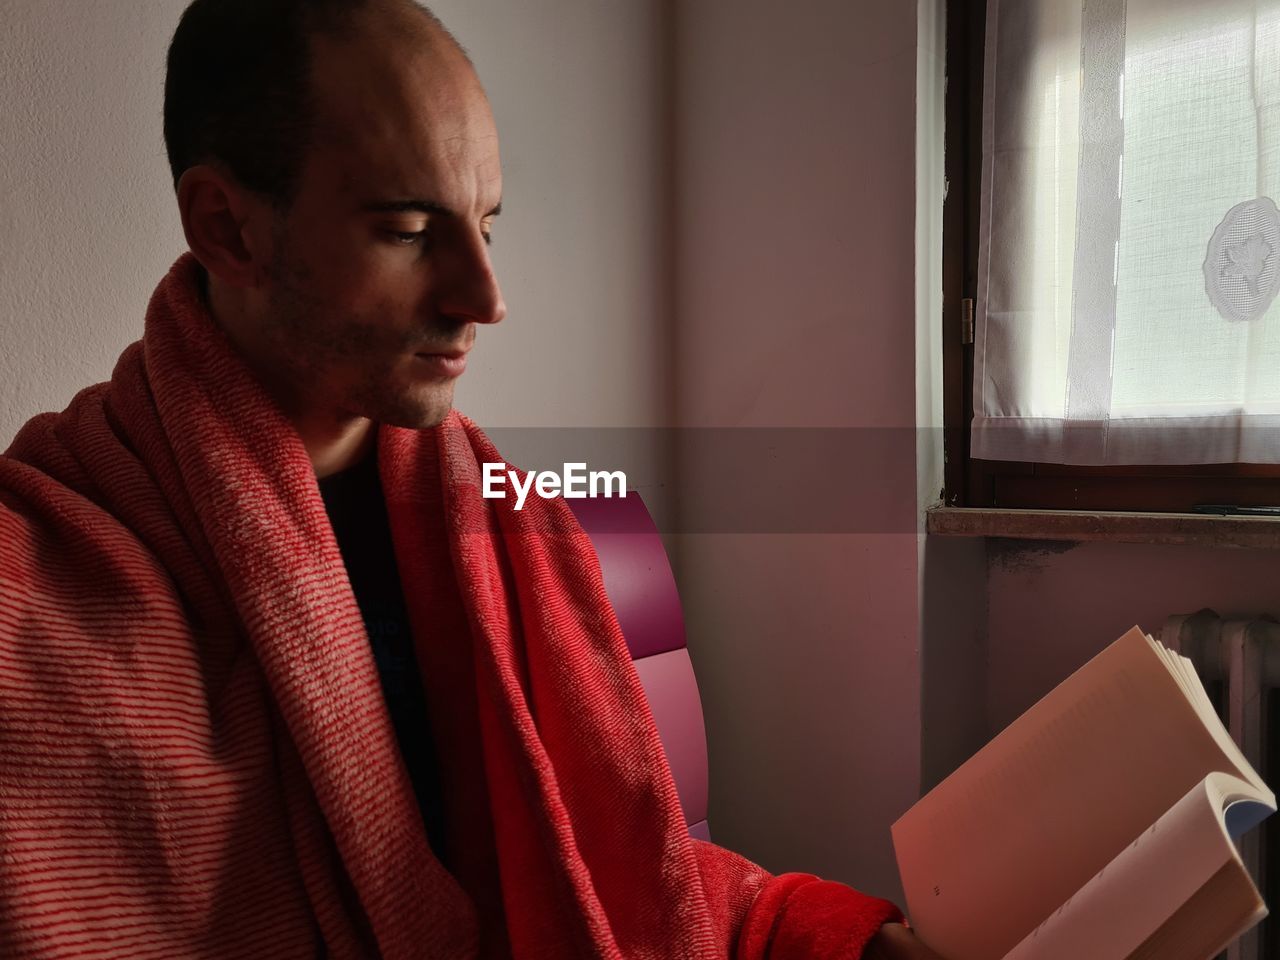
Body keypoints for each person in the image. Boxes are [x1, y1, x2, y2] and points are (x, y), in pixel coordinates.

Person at [0, 1, 946, 957]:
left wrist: (835, 940)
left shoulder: (508, 528)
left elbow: (599, 865)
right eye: (410, 232)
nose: (485, 298)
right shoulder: (41, 576)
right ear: (228, 229)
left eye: (487, 223)